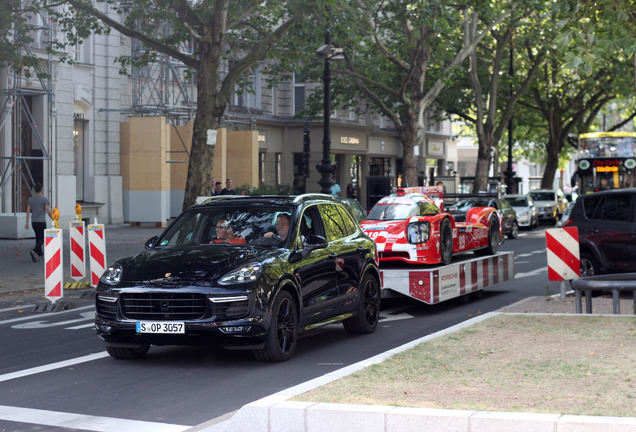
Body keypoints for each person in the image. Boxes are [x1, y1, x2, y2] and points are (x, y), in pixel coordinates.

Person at [24, 182, 53, 262]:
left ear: (34, 190)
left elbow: (28, 212)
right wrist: (53, 218)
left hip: (34, 222)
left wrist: (26, 222)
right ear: (41, 189)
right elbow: (48, 210)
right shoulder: (44, 199)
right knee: (43, 238)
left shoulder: (30, 199)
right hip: (41, 221)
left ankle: (40, 256)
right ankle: (34, 251)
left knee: (38, 237)